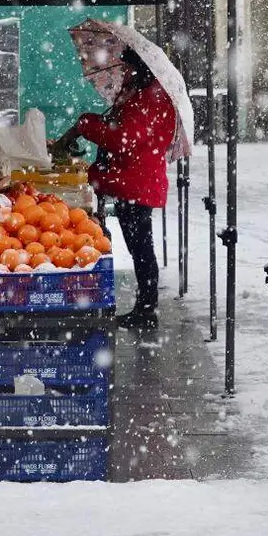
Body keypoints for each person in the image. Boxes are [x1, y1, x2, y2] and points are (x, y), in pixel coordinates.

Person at [54, 48, 176, 330]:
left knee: (141, 248)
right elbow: (122, 130)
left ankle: (147, 310)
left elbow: (122, 139)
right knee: (139, 247)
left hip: (137, 184)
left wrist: (88, 124)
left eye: (128, 67)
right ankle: (145, 307)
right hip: (131, 182)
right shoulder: (140, 94)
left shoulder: (151, 99)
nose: (124, 71)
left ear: (142, 69)